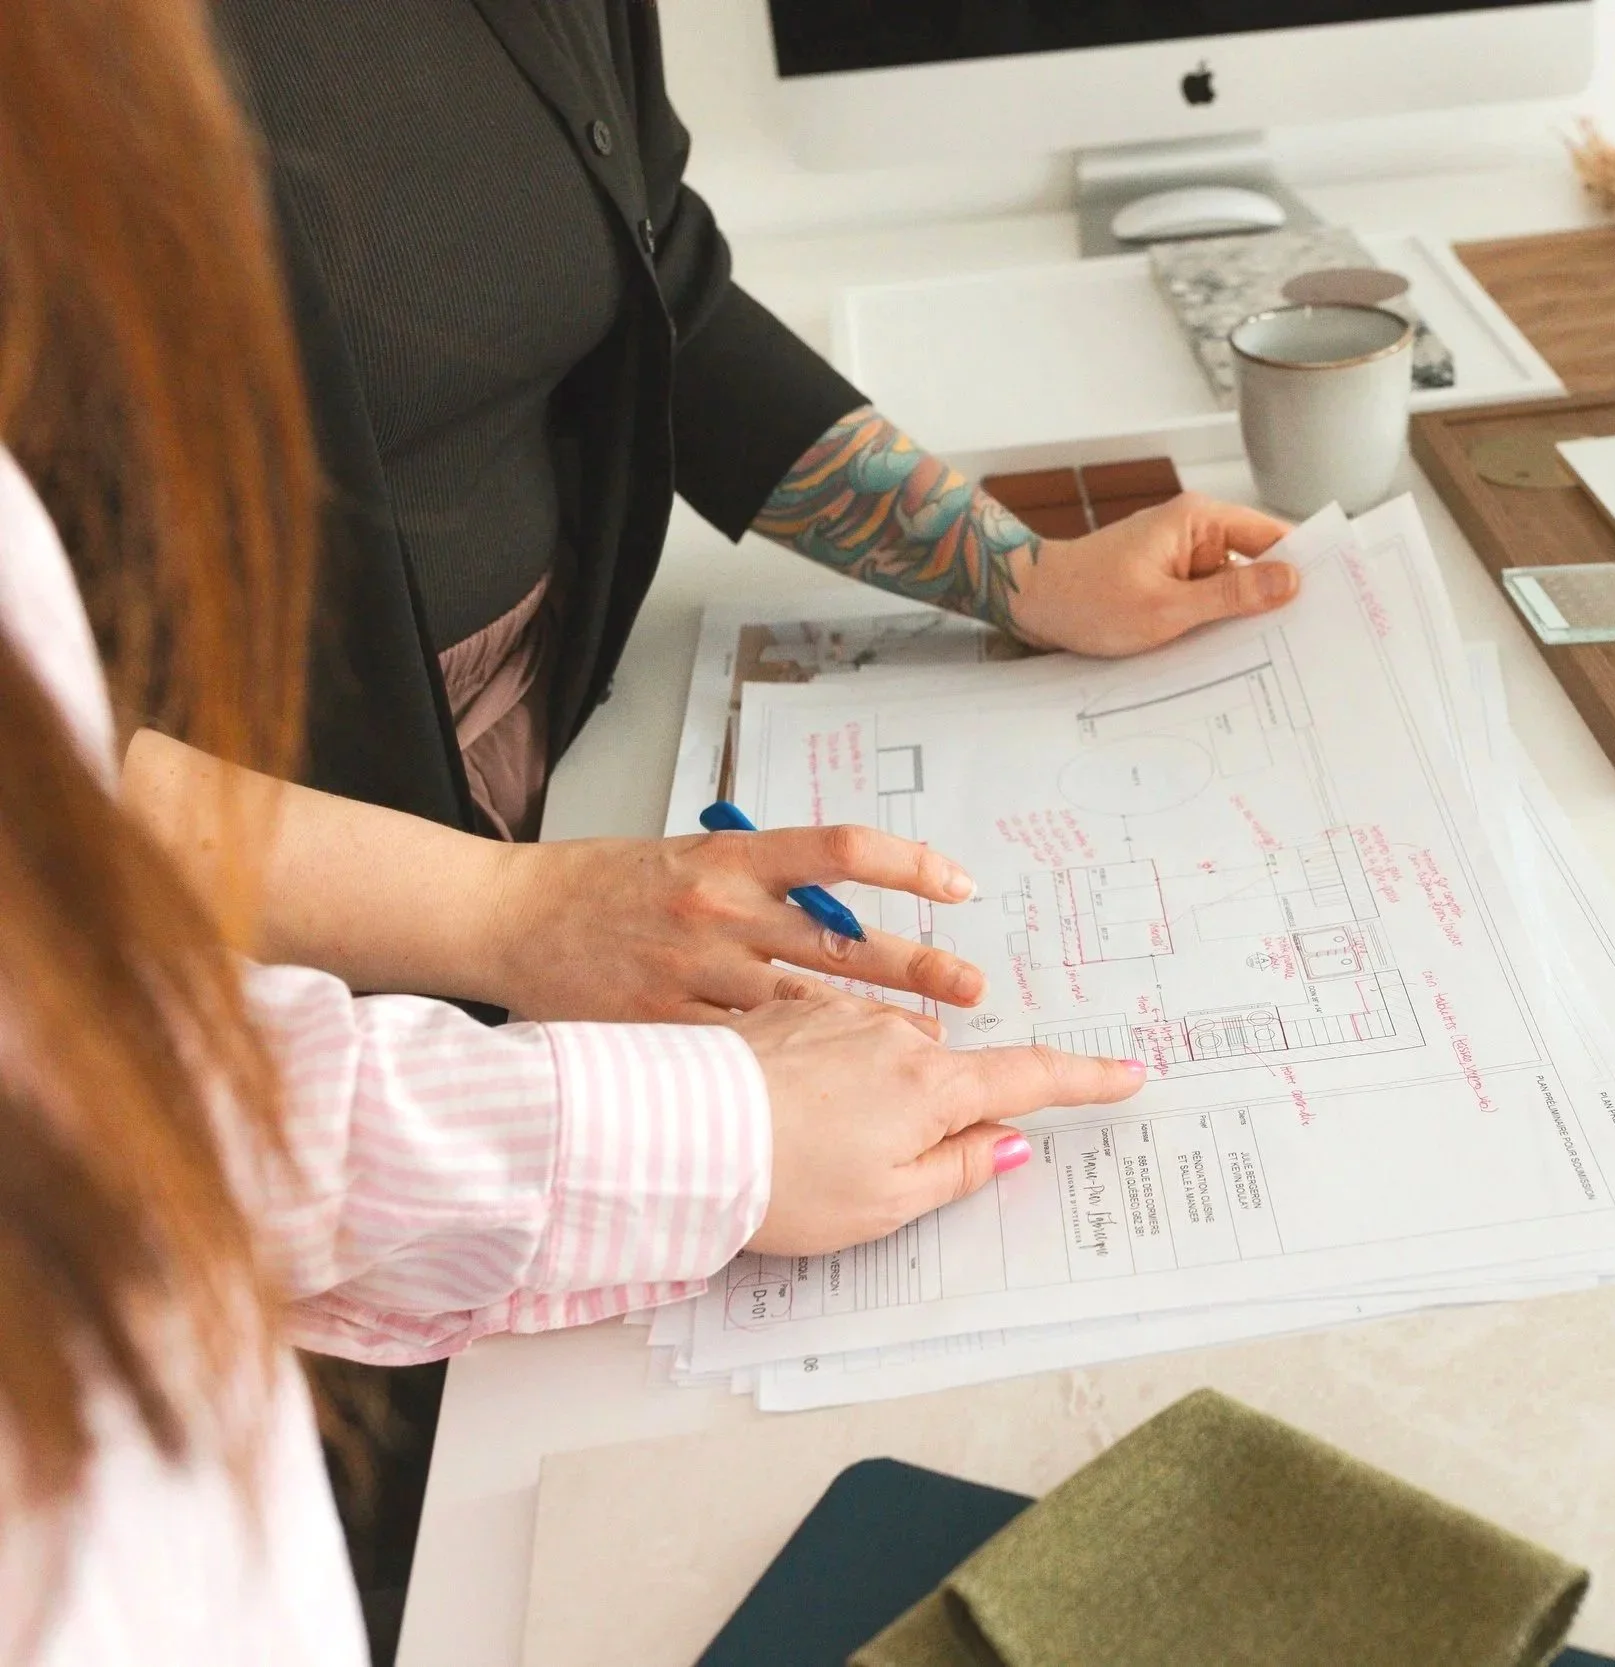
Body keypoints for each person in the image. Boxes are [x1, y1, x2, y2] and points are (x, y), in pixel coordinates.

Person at [0, 2, 1142, 1659]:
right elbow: (67, 814)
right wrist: (532, 939)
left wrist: (1006, 565)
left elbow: (660, 287)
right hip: (288, 918)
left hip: (572, 819)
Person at [105, 2, 1298, 1028]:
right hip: (221, 910)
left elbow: (661, 291)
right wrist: (516, 913)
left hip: (576, 777)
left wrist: (1021, 574)